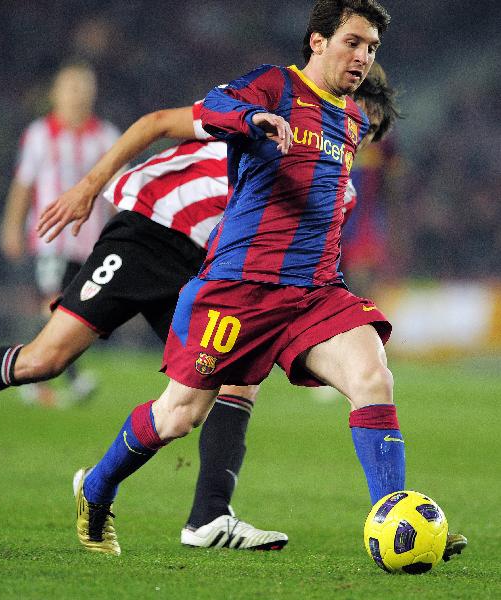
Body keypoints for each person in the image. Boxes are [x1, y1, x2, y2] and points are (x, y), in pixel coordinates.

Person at [0, 58, 392, 552]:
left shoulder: (337, 186)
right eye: (355, 117)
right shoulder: (270, 111)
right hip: (150, 231)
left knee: (234, 379)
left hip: (208, 269)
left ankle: (209, 518)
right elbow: (155, 124)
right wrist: (89, 188)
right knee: (45, 359)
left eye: (365, 134)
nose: (353, 136)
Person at [71, 0, 468, 560]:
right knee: (177, 416)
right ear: (317, 41)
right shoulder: (273, 87)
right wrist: (250, 120)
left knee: (373, 378)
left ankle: (398, 521)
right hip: (240, 288)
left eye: (372, 48)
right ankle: (97, 488)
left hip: (314, 293)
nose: (363, 56)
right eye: (353, 42)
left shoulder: (353, 120)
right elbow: (216, 104)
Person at [0, 61, 120, 406]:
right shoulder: (39, 134)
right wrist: (11, 227)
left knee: (73, 309)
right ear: (56, 92)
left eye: (85, 86)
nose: (79, 93)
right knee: (55, 305)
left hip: (92, 242)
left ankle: (34, 372)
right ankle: (50, 376)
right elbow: (23, 186)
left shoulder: (107, 136)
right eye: (72, 86)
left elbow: (116, 192)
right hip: (51, 237)